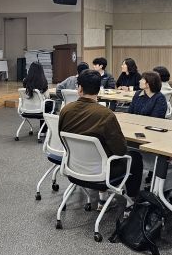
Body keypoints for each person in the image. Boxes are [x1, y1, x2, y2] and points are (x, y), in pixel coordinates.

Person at [58, 69, 143, 211]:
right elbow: (120, 150)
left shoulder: (65, 110)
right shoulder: (105, 114)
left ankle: (103, 199)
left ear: (79, 89)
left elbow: (63, 140)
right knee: (135, 157)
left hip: (73, 167)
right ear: (98, 90)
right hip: (101, 170)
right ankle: (131, 202)